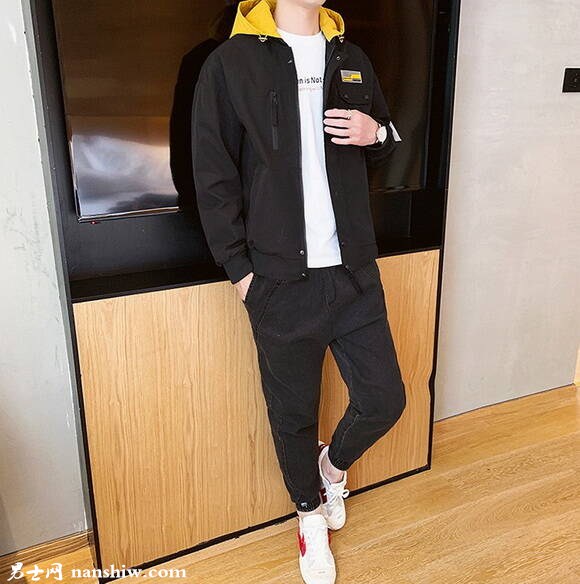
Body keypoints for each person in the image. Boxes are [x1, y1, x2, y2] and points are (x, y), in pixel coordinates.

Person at [191, 1, 406, 582]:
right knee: (293, 415)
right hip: (278, 282)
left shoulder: (351, 57)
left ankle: (330, 471)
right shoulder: (230, 63)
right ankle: (308, 516)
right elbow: (212, 175)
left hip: (354, 272)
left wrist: (375, 132)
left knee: (385, 399)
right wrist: (241, 272)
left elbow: (387, 140)